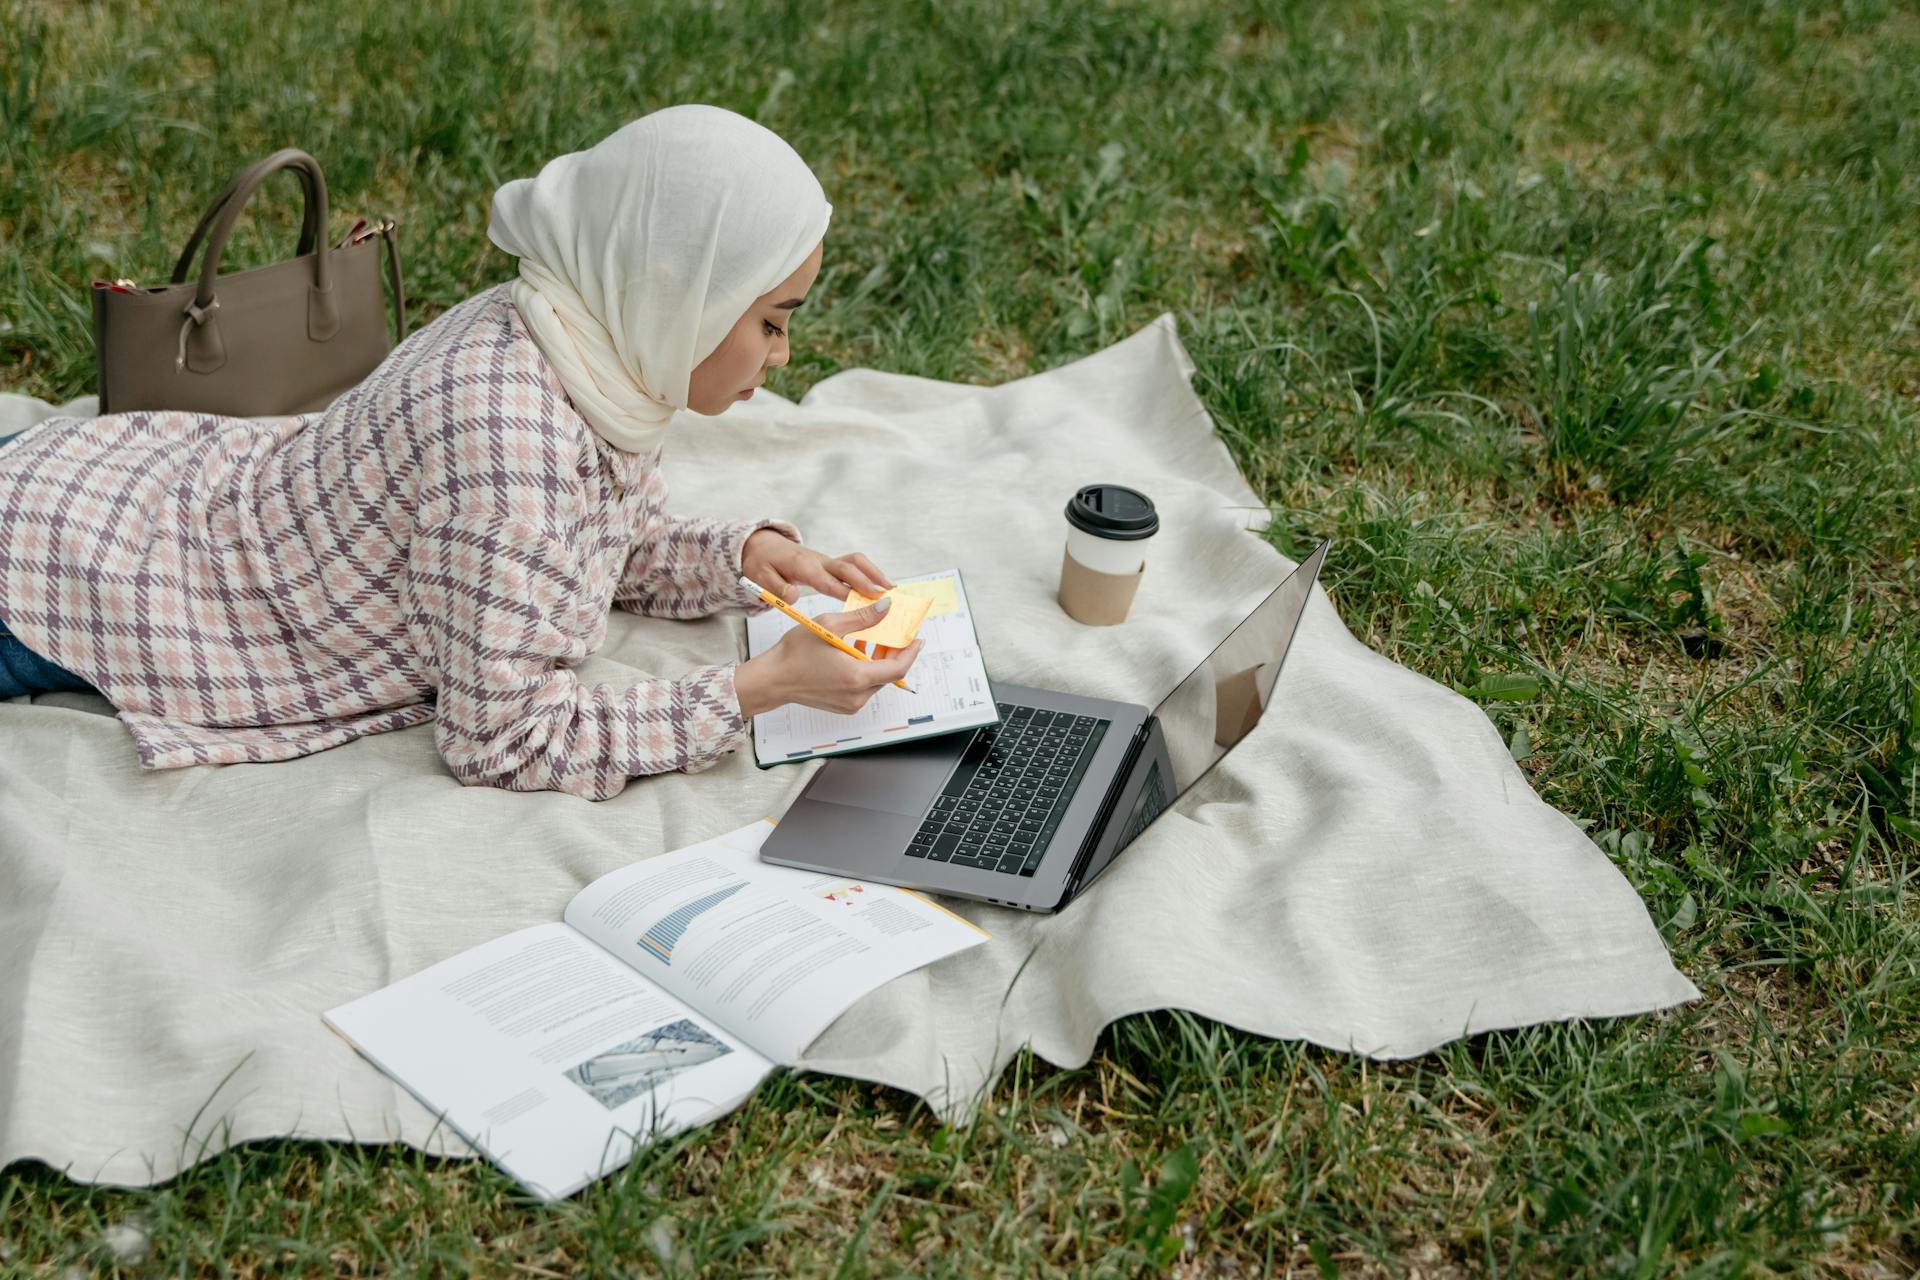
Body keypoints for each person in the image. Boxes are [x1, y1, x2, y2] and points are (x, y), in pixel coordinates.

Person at [0, 104, 923, 799]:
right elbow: (502, 738)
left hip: (136, 502)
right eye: (770, 322)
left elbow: (590, 548)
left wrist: (750, 559)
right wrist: (758, 688)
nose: (783, 355)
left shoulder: (576, 337)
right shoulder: (508, 449)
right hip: (76, 586)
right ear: (679, 293)